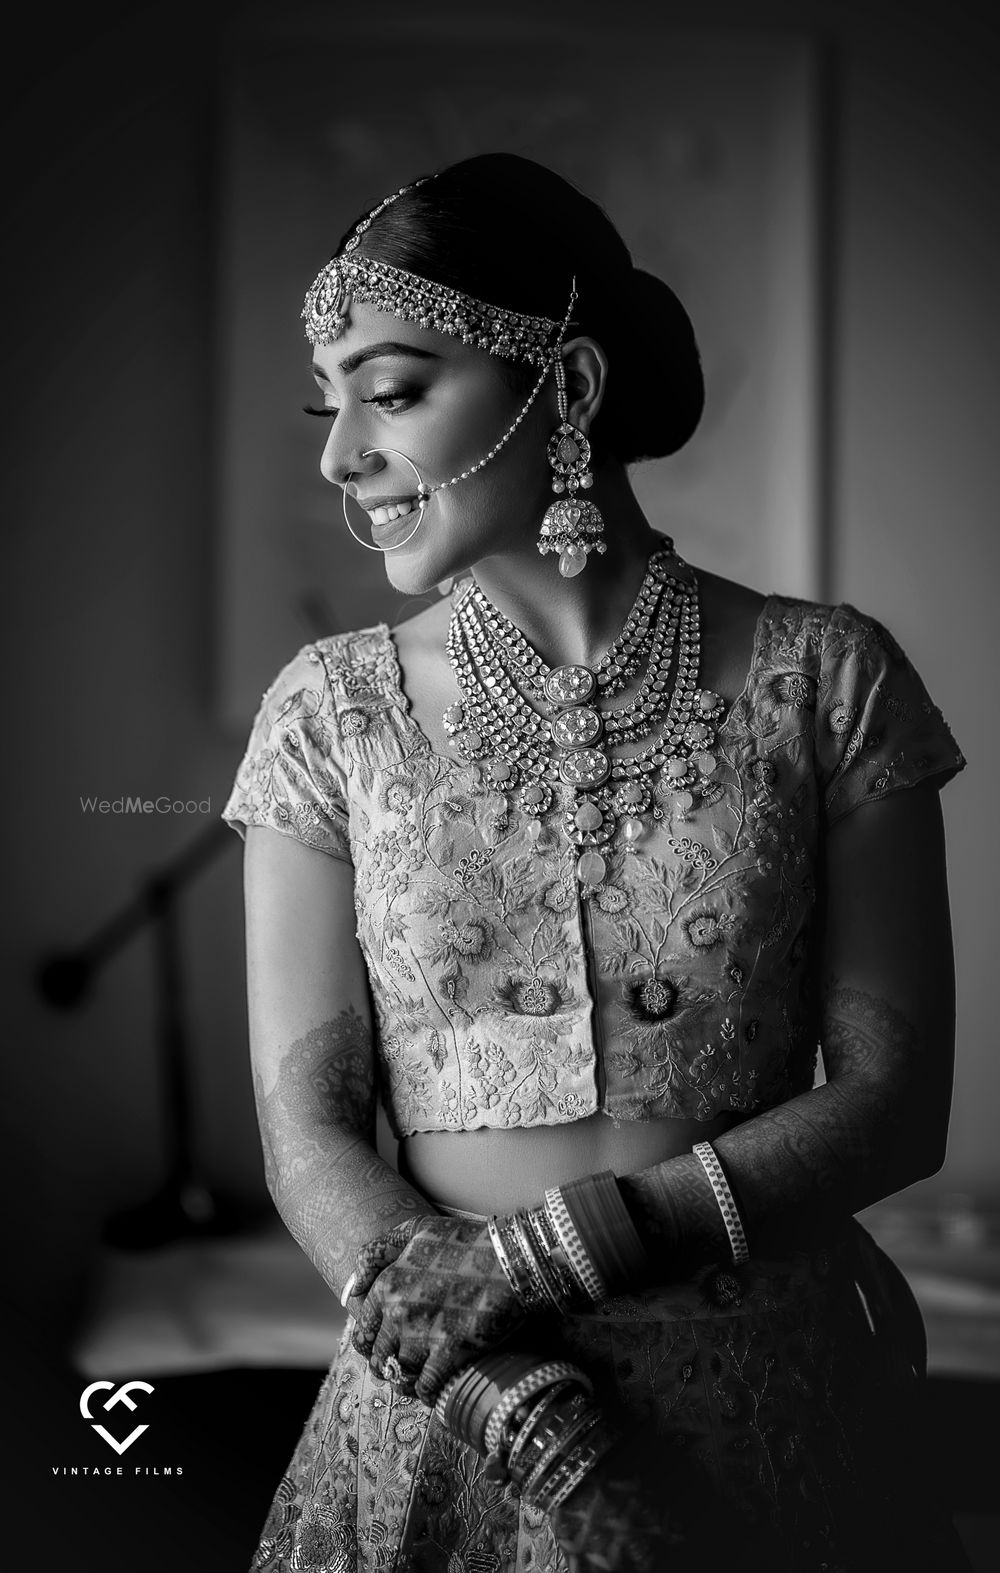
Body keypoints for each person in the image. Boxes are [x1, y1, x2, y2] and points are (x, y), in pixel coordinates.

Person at [221, 153, 970, 1572]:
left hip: (765, 1413)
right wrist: (497, 1385)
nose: (339, 457)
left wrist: (530, 1257)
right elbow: (307, 1132)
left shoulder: (827, 680)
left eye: (390, 393)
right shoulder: (329, 713)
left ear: (561, 389)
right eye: (332, 408)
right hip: (453, 1410)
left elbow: (893, 1104)